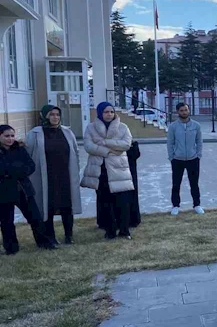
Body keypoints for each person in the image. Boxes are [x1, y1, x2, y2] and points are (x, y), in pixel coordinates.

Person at [26, 105, 82, 244]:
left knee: (66, 206)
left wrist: (76, 170)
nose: (55, 117)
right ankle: (50, 236)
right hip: (45, 176)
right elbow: (28, 155)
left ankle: (69, 236)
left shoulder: (67, 132)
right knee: (47, 206)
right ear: (44, 116)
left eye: (57, 114)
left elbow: (75, 152)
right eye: (51, 114)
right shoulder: (35, 134)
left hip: (65, 175)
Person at [82, 102, 135, 239]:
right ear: (100, 113)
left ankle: (124, 231)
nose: (109, 114)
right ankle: (110, 231)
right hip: (101, 171)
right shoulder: (90, 128)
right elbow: (88, 146)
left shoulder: (123, 127)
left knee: (122, 202)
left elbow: (126, 144)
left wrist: (105, 142)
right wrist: (108, 151)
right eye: (106, 112)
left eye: (111, 112)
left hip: (119, 170)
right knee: (105, 202)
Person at [0, 126, 55, 253]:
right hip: (4, 192)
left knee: (35, 217)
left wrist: (14, 170)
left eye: (12, 136)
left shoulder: (19, 149)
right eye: (6, 136)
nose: (10, 139)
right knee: (7, 222)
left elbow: (30, 165)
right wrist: (14, 169)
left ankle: (44, 242)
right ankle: (11, 248)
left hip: (23, 190)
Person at [167, 102, 204, 216]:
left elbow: (199, 141)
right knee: (176, 184)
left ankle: (197, 205)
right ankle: (175, 205)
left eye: (186, 110)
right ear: (178, 112)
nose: (184, 112)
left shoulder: (196, 126)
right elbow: (170, 143)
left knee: (194, 183)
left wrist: (198, 155)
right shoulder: (173, 126)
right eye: (182, 110)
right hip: (177, 159)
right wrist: (172, 157)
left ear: (189, 111)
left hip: (193, 159)